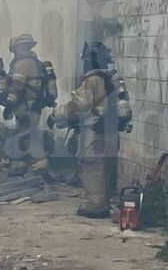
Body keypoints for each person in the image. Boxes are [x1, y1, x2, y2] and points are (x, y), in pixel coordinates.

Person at [51, 42, 132, 218]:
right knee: (107, 166)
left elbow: (77, 107)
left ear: (89, 61)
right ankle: (105, 201)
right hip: (112, 132)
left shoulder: (92, 81)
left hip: (95, 133)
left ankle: (96, 206)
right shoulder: (113, 79)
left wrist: (56, 113)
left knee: (93, 167)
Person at [0, 34, 55, 178]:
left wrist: (9, 104)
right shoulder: (31, 61)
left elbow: (17, 85)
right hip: (29, 107)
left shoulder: (24, 63)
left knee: (28, 137)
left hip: (27, 107)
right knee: (22, 136)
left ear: (19, 47)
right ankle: (20, 168)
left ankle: (42, 170)